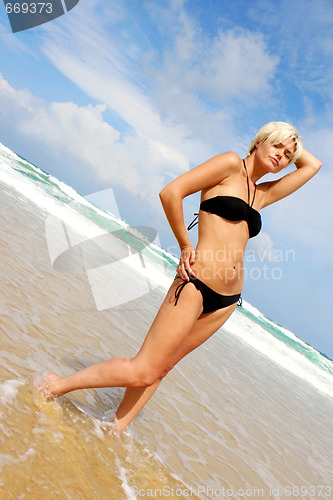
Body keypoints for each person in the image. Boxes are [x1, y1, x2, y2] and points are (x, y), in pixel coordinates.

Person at [41, 121, 322, 434]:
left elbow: (313, 165)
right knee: (143, 369)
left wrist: (291, 144)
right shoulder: (229, 164)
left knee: (162, 368)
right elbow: (171, 192)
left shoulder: (263, 194)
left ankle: (115, 427)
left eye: (287, 155)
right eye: (276, 147)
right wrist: (185, 246)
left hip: (227, 301)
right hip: (195, 284)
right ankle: (57, 386)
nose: (281, 157)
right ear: (259, 142)